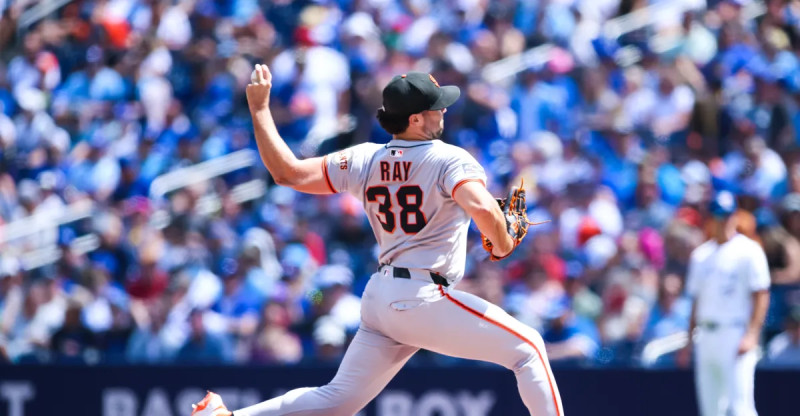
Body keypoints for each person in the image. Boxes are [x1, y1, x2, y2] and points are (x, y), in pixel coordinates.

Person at [191, 66, 564, 415]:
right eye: (436, 108)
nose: (444, 112)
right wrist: (501, 242)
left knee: (338, 401)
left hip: (382, 296)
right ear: (415, 118)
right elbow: (483, 209)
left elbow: (287, 173)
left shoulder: (365, 158)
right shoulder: (449, 159)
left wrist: (259, 110)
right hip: (422, 297)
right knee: (529, 349)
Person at [683, 191, 770, 416]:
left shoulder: (749, 251)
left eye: (726, 214)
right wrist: (688, 339)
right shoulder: (701, 256)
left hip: (735, 332)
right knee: (710, 408)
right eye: (717, 214)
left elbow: (761, 294)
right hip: (707, 334)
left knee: (741, 406)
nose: (722, 220)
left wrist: (751, 334)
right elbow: (696, 301)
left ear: (735, 216)